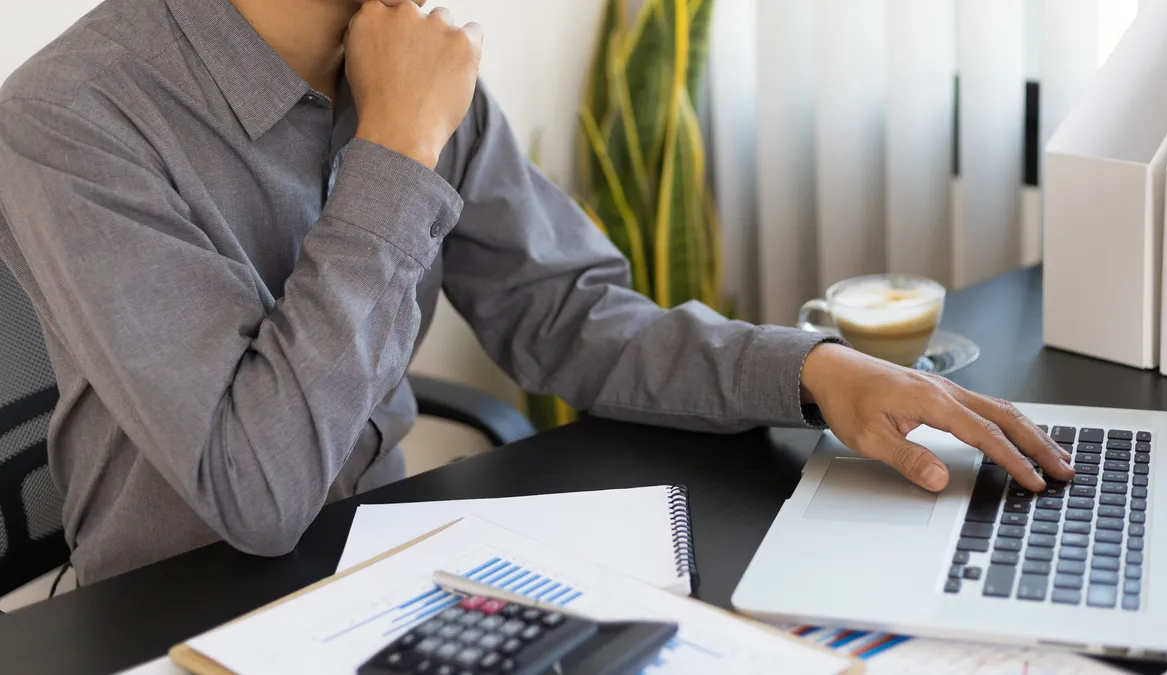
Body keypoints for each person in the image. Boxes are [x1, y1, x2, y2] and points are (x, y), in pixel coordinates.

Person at [0, 0, 1073, 585]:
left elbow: (567, 317)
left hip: (388, 565)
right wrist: (400, 147)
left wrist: (809, 370)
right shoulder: (69, 117)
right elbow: (256, 492)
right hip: (173, 609)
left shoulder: (408, 56)